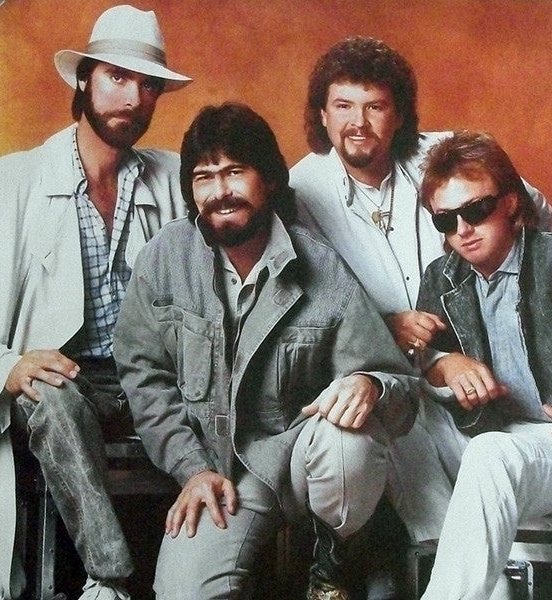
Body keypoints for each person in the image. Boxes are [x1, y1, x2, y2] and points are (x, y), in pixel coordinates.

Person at [112, 102, 419, 600]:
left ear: (270, 180)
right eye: (204, 177)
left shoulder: (321, 266)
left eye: (235, 172)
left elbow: (400, 387)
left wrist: (370, 384)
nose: (220, 191)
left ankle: (336, 562)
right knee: (184, 593)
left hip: (305, 464)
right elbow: (143, 376)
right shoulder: (165, 258)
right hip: (224, 473)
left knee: (350, 442)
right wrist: (192, 469)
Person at [0, 5, 191, 599]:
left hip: (149, 379)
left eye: (148, 84)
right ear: (84, 79)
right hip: (69, 380)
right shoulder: (16, 182)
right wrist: (9, 365)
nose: (133, 98)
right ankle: (110, 580)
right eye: (117, 77)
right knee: (49, 396)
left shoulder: (173, 178)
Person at [411, 130, 552, 600]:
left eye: (476, 210)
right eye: (445, 220)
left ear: (511, 203)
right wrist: (446, 363)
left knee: (490, 454)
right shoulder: (443, 279)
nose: (462, 230)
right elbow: (424, 362)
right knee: (398, 414)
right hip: (501, 439)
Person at [289, 36, 552, 358]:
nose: (359, 123)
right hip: (377, 363)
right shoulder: (299, 190)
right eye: (343, 106)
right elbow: (303, 307)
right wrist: (381, 327)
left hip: (482, 351)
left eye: (375, 107)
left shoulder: (445, 156)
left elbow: (533, 211)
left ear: (399, 116)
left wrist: (523, 302)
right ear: (323, 114)